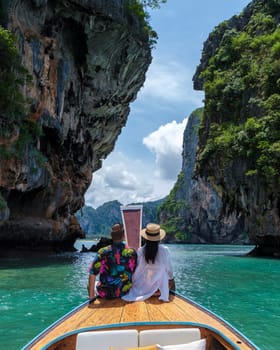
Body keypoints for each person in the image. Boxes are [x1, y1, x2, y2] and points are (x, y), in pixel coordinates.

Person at [122, 223, 175, 302]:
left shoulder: (141, 250)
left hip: (141, 287)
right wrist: (171, 281)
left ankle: (147, 291)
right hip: (158, 289)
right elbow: (169, 271)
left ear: (146, 238)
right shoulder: (165, 250)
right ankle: (171, 294)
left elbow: (137, 268)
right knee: (168, 275)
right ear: (159, 238)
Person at [88, 223, 137, 300]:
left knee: (91, 285)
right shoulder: (132, 252)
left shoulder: (102, 252)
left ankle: (91, 297)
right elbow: (134, 272)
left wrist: (91, 297)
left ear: (111, 236)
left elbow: (92, 274)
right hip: (126, 292)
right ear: (123, 236)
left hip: (106, 294)